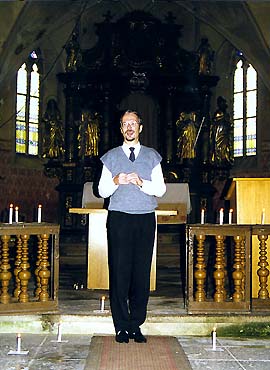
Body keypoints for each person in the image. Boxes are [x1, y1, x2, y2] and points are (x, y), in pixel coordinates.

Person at [98, 109, 166, 344]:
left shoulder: (152, 156)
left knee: (141, 272)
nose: (129, 127)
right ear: (120, 128)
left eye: (133, 123)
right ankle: (121, 326)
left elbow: (160, 190)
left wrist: (141, 182)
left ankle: (136, 324)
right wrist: (115, 181)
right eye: (125, 124)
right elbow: (102, 191)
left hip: (145, 218)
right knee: (119, 272)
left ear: (140, 128)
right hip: (119, 219)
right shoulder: (111, 157)